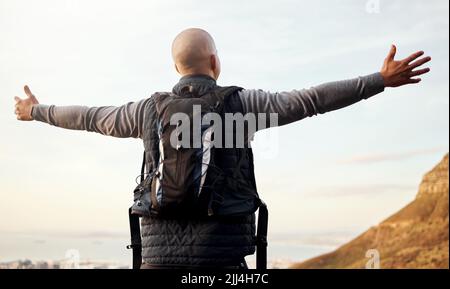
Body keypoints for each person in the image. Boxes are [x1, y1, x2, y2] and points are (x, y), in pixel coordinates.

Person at [14, 28, 431, 269]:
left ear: (176, 67)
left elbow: (87, 116)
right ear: (214, 62)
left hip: (157, 259)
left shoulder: (146, 111)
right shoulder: (242, 104)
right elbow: (312, 99)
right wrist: (379, 80)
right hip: (225, 260)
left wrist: (37, 111)